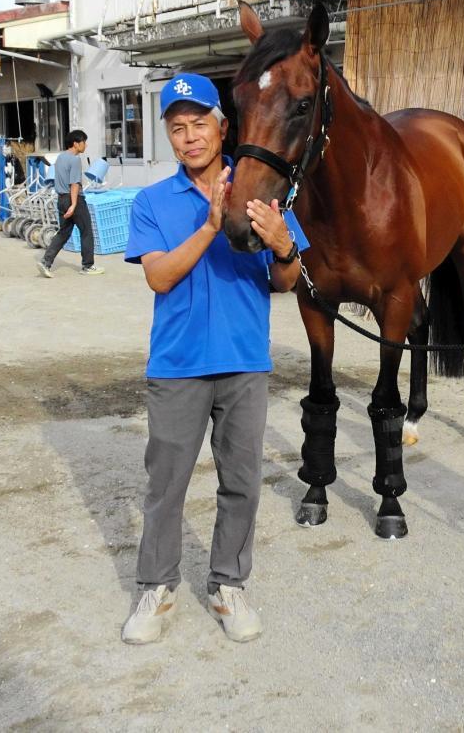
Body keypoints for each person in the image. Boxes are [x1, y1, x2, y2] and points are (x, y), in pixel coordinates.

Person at [120, 73, 307, 645]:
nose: (189, 137)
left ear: (224, 127)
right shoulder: (152, 201)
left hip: (244, 362)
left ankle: (228, 585)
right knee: (166, 485)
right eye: (177, 128)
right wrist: (209, 226)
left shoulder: (266, 195)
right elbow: (160, 275)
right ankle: (157, 586)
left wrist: (282, 242)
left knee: (242, 481)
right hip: (176, 366)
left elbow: (287, 280)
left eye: (199, 123)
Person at [37, 129, 104, 277]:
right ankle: (88, 266)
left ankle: (45, 262)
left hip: (61, 198)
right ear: (76, 144)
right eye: (84, 142)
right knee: (86, 231)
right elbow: (74, 184)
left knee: (63, 233)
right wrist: (73, 205)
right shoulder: (74, 159)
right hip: (74, 200)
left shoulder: (60, 158)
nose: (85, 145)